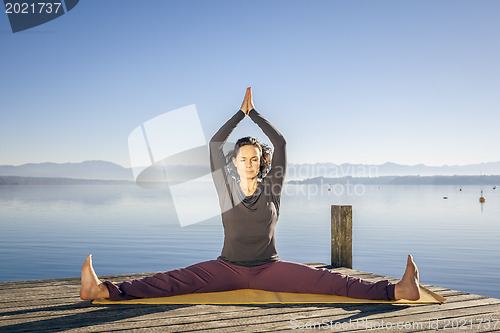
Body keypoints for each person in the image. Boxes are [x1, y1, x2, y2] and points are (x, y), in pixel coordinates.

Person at [80, 87, 420, 301]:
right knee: (172, 280)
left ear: (262, 162)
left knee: (329, 280)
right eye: (243, 159)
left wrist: (255, 115)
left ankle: (397, 290)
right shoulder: (225, 187)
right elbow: (215, 145)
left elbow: (282, 143)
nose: (248, 163)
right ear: (235, 162)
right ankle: (102, 290)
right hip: (225, 268)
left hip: (269, 268)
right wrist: (238, 115)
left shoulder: (273, 186)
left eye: (254, 159)